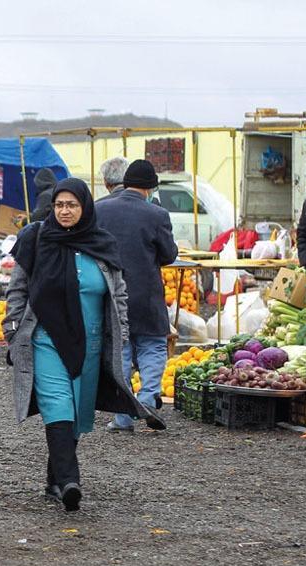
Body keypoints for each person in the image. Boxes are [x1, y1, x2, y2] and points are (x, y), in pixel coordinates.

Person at [3, 177, 164, 512]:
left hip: (90, 343)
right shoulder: (35, 239)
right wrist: (13, 330)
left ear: (84, 207)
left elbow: (118, 293)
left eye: (71, 205)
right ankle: (71, 480)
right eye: (60, 205)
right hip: (45, 339)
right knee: (58, 405)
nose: (64, 211)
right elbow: (17, 289)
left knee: (76, 412)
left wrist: (120, 335)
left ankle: (54, 479)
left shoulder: (101, 243)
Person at [95, 159, 179, 432]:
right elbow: (168, 255)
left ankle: (123, 417)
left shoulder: (99, 209)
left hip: (110, 293)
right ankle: (147, 398)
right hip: (146, 294)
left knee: (121, 352)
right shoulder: (156, 214)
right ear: (151, 187)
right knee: (153, 346)